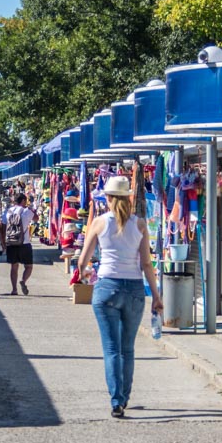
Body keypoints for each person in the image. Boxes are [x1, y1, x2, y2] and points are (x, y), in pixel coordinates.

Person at [74, 174, 161, 418]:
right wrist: (156, 295)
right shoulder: (140, 224)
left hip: (107, 288)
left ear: (109, 198)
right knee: (128, 349)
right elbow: (146, 264)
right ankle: (125, 395)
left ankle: (116, 401)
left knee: (111, 349)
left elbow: (83, 260)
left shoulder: (100, 223)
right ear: (129, 199)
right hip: (134, 289)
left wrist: (85, 273)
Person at [2, 190, 36, 294]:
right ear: (23, 201)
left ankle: (14, 289)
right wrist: (30, 210)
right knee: (29, 266)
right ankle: (23, 280)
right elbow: (36, 219)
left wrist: (4, 242)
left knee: (14, 267)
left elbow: (3, 227)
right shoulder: (26, 211)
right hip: (24, 242)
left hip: (11, 242)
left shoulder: (7, 212)